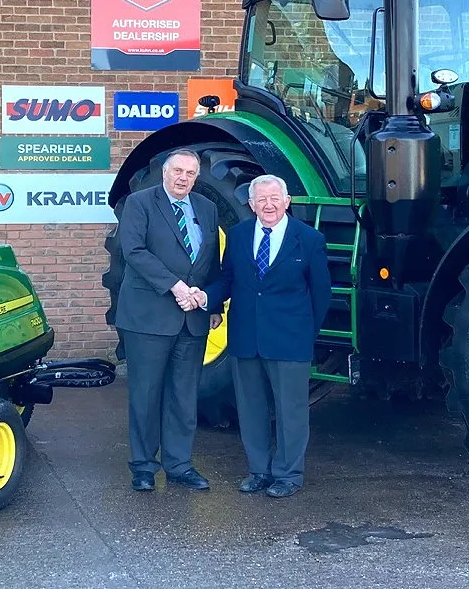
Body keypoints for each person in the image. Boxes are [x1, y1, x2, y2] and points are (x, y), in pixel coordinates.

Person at [197, 173, 330, 498]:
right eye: (262, 199)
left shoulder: (309, 239)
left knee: (291, 411)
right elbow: (227, 279)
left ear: (286, 202)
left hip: (290, 340)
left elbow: (321, 294)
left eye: (275, 199)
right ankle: (258, 471)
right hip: (245, 338)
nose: (268, 205)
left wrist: (304, 334)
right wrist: (205, 299)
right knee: (251, 409)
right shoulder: (240, 235)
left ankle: (288, 474)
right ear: (252, 204)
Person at [112, 149, 222, 492]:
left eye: (190, 173)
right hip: (148, 317)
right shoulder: (140, 203)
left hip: (193, 318)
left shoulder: (207, 207)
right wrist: (174, 286)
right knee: (146, 395)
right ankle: (143, 467)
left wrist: (214, 303)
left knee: (183, 396)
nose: (183, 178)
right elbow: (134, 252)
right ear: (164, 171)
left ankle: (179, 465)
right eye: (178, 171)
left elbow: (210, 259)